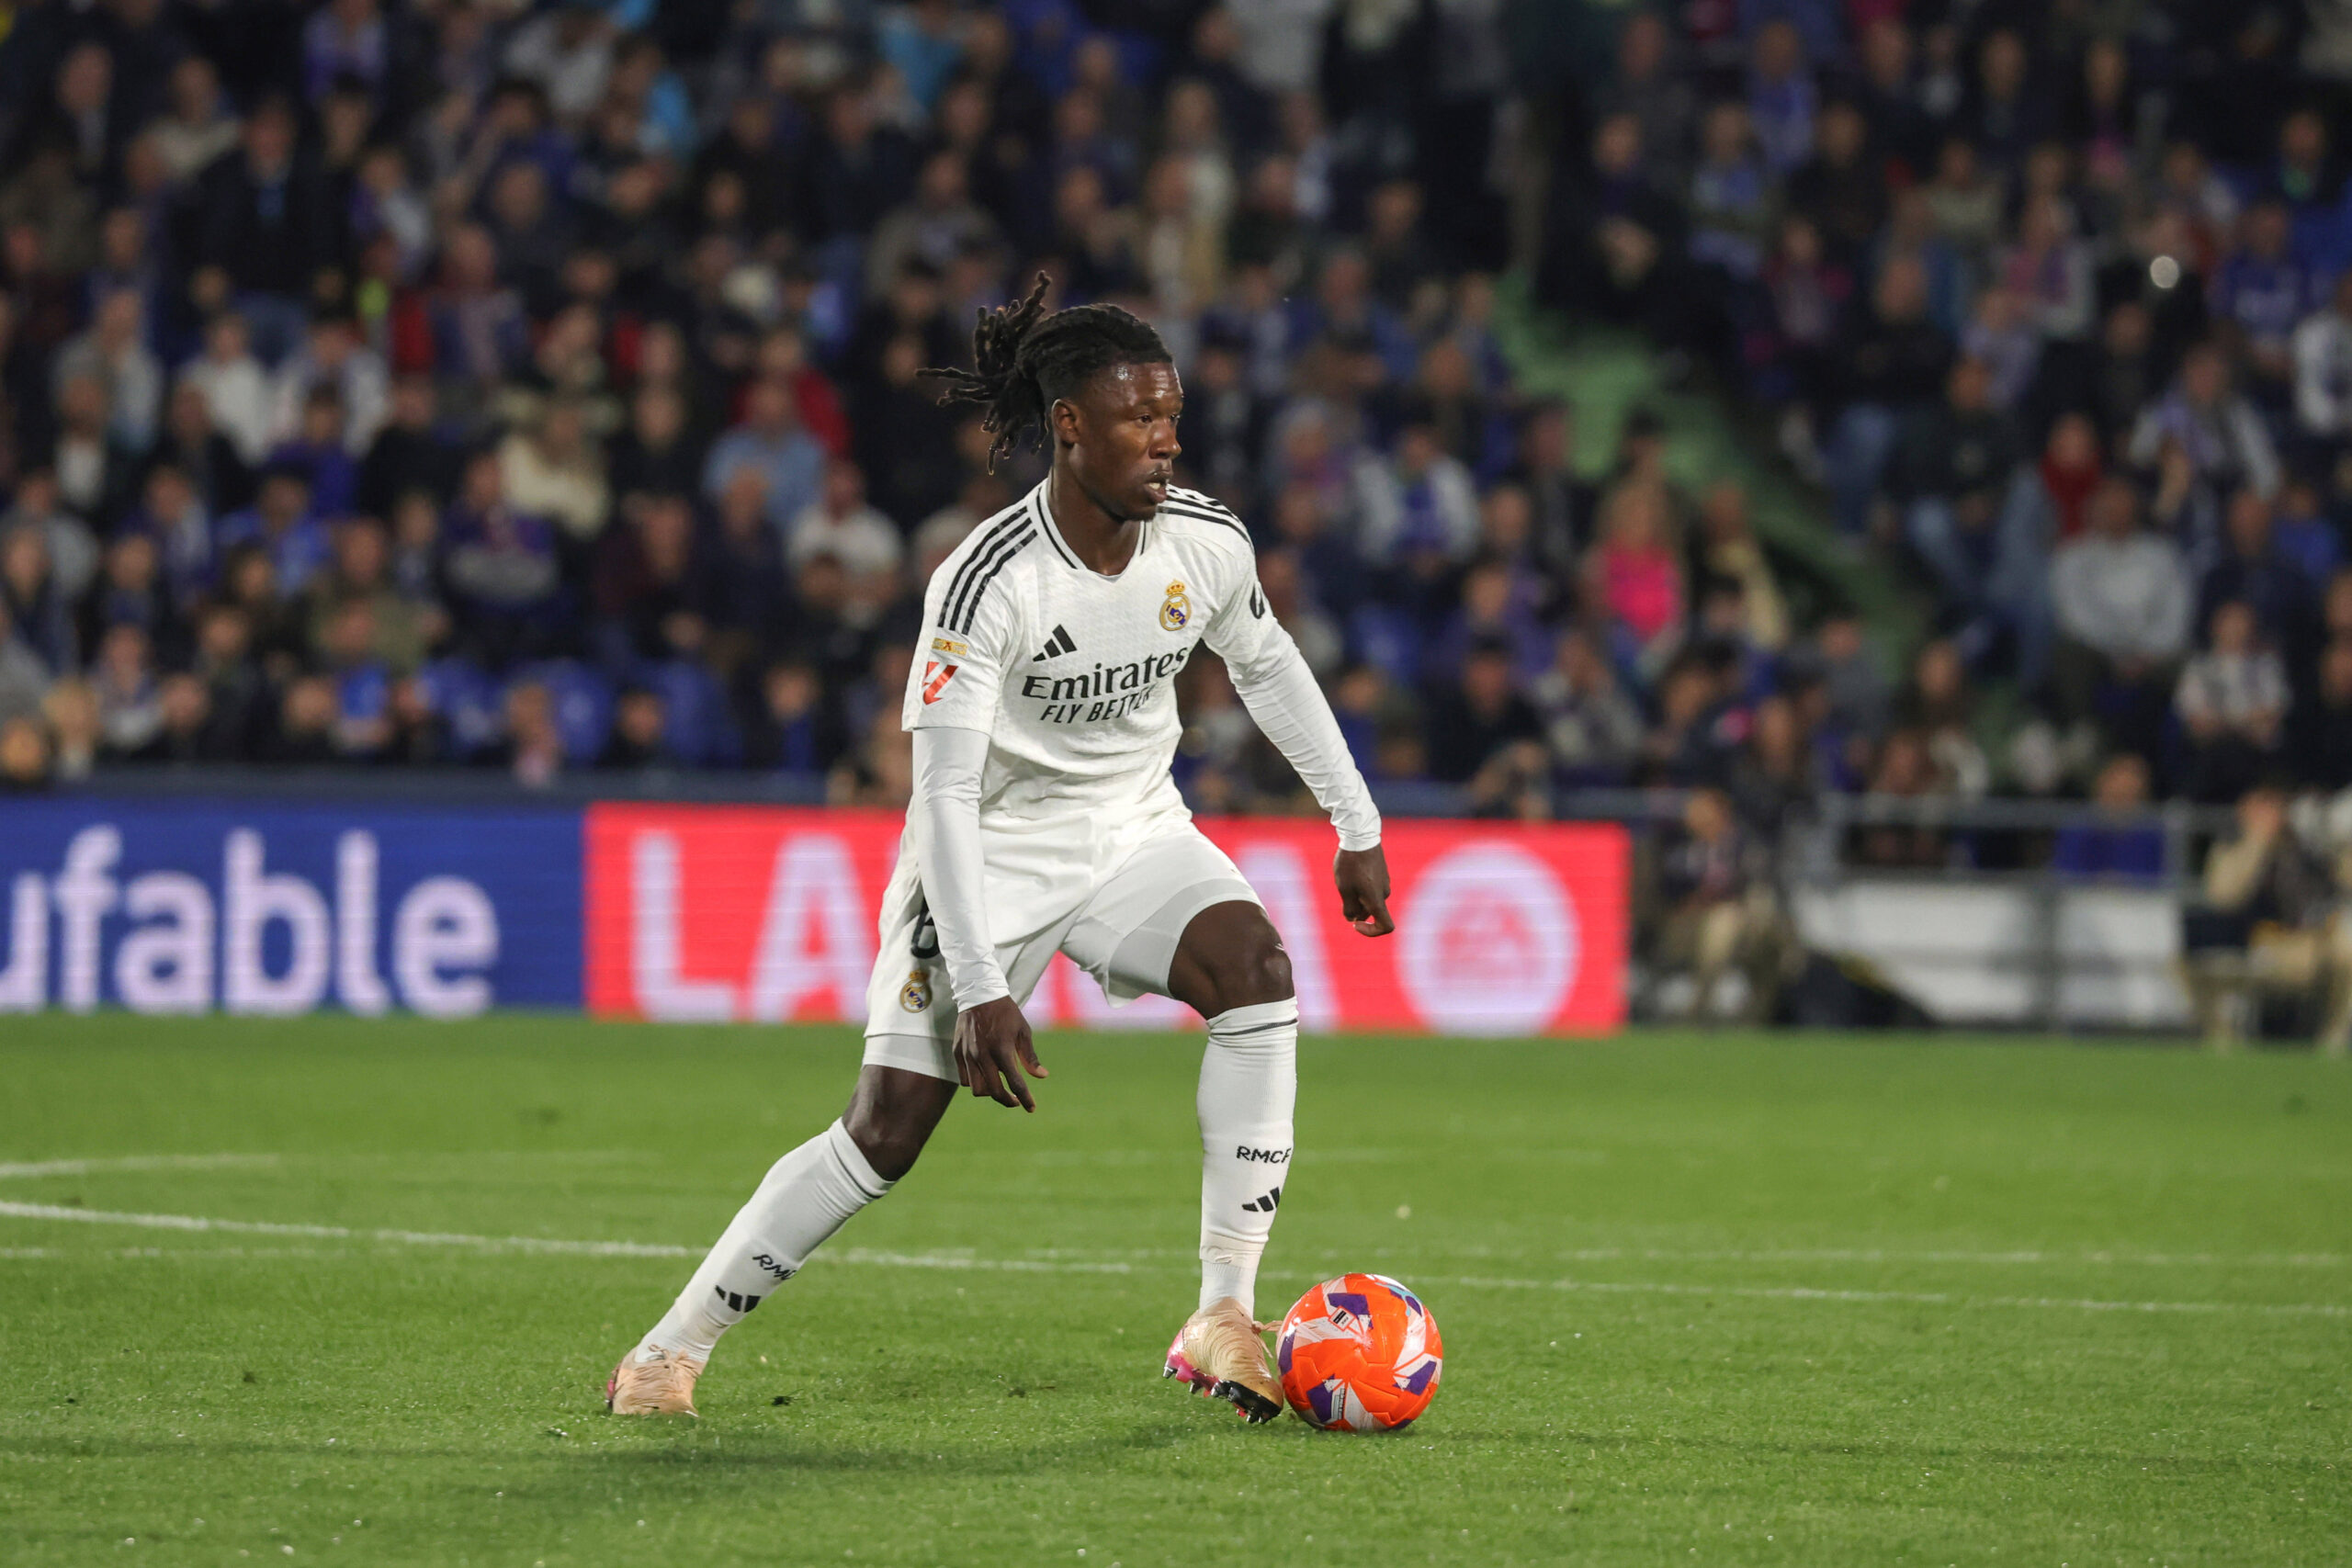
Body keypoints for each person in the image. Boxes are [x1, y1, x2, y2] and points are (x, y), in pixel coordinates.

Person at [605, 279, 1393, 1424]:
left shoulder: (1207, 540)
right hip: (987, 853)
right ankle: (667, 1353)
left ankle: (1225, 1309)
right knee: (884, 1135)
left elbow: (1269, 670)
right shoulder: (988, 581)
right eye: (1140, 419)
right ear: (1070, 425)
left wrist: (1355, 823)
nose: (1166, 440)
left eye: (1174, 415)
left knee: (1258, 974)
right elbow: (945, 793)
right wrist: (981, 986)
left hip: (1132, 829)